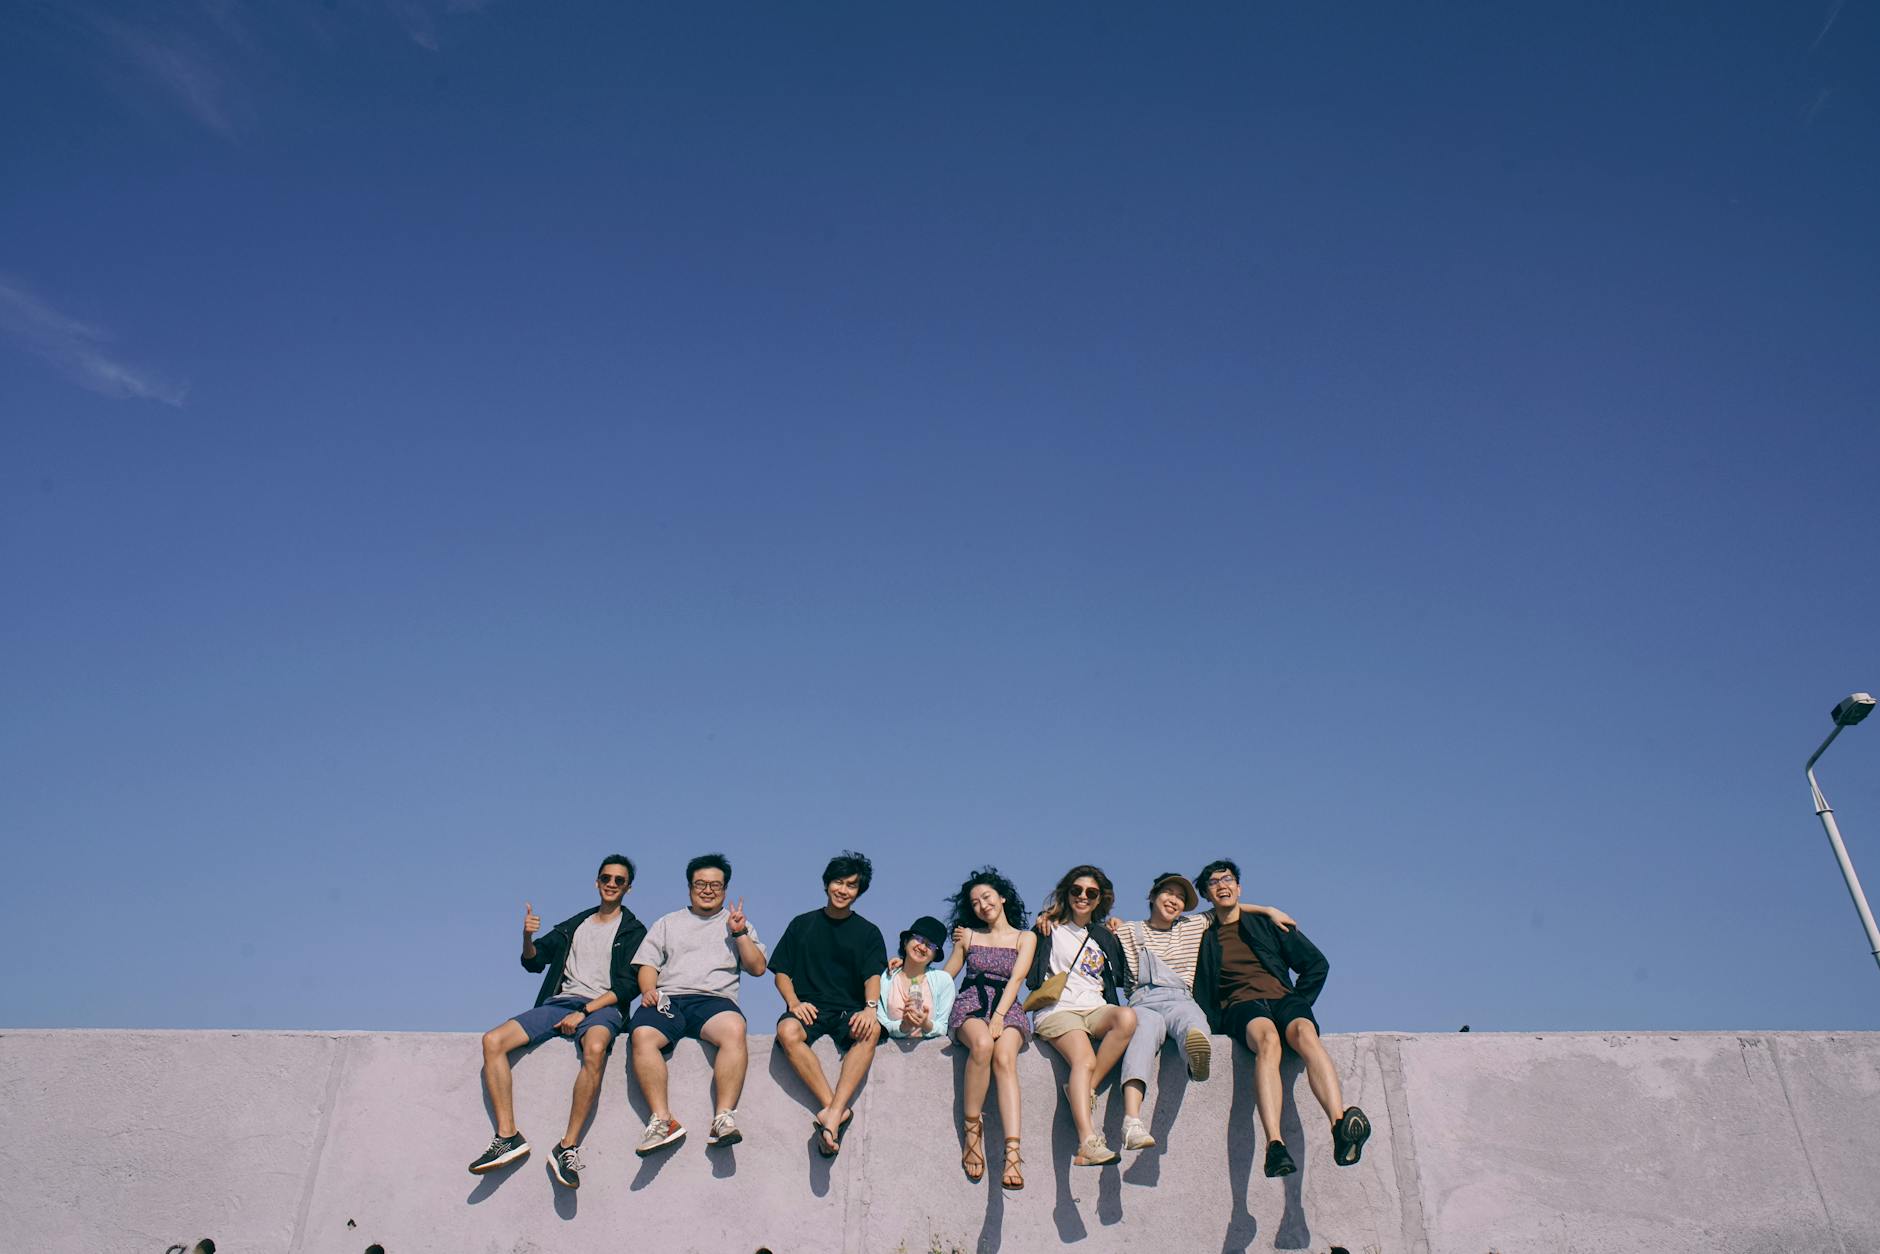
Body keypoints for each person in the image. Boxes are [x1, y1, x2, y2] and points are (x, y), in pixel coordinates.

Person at [469, 854, 647, 1190]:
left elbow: (629, 986)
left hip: (603, 1007)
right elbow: (534, 961)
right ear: (597, 882)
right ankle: (508, 1136)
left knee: (595, 1048)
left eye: (618, 880)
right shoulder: (575, 925)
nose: (611, 884)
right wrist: (525, 937)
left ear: (628, 888)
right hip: (559, 1003)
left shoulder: (634, 931)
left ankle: (567, 1147)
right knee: (493, 1041)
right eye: (606, 878)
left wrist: (585, 1012)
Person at [1192, 858, 1370, 1178]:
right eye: (1214, 882)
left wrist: (1300, 1001)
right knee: (1268, 1040)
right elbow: (1165, 928)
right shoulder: (1203, 934)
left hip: (1284, 999)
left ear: (1239, 887)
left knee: (1304, 1033)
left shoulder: (1268, 925)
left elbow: (1316, 964)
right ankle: (1275, 1145)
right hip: (1240, 1005)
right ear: (1207, 894)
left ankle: (1340, 1126)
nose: (1222, 885)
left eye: (1228, 879)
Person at [1102, 873, 1296, 1151]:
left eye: (1181, 898)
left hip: (1181, 996)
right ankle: (1132, 1122)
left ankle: (1196, 1057)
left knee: (1193, 1022)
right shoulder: (1128, 930)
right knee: (1142, 1037)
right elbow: (1089, 929)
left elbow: (1227, 908)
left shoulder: (1192, 925)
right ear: (1153, 896)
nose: (1174, 900)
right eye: (1168, 893)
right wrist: (1055, 918)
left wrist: (1267, 910)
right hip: (1143, 1001)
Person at [627, 853, 769, 1155]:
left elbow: (757, 968)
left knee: (734, 1028)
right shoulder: (668, 922)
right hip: (670, 999)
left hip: (714, 1001)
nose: (707, 890)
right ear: (690, 886)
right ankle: (663, 1121)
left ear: (725, 890)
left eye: (715, 885)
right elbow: (648, 964)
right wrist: (648, 988)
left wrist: (739, 932)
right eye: (700, 883)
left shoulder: (737, 925)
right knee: (641, 1035)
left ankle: (723, 1118)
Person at [770, 850, 889, 1157]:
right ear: (826, 884)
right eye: (838, 881)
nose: (843, 889)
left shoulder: (868, 932)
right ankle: (835, 1110)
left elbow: (872, 976)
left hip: (848, 1010)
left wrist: (870, 1008)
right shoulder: (802, 924)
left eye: (851, 885)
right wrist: (794, 1003)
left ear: (859, 892)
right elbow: (782, 972)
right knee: (787, 1032)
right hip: (808, 1006)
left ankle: (830, 1115)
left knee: (871, 1031)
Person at [1026, 865, 1137, 1167]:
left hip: (1094, 1006)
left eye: (1091, 892)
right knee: (1084, 1060)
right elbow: (1025, 962)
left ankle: (1083, 1090)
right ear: (1067, 892)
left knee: (1127, 1018)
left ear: (1101, 898)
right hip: (1058, 1009)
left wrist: (1121, 931)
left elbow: (1126, 974)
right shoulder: (1048, 927)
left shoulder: (1103, 934)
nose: (1083, 897)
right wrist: (1041, 921)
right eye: (1076, 890)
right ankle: (1087, 1141)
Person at [942, 867, 1038, 1190]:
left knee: (1005, 1058)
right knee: (982, 1045)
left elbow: (1017, 979)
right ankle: (973, 1133)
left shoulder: (1026, 937)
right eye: (975, 902)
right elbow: (947, 975)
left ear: (1002, 897)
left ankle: (1013, 1153)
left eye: (987, 897)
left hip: (1008, 1005)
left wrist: (999, 1015)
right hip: (970, 1002)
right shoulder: (967, 935)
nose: (982, 905)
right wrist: (910, 972)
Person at [878, 915, 956, 1040]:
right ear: (905, 942)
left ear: (934, 955)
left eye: (931, 946)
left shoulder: (943, 981)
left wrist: (926, 1024)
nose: (923, 947)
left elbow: (943, 1027)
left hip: (928, 1056)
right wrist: (904, 1026)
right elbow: (880, 1023)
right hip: (887, 1055)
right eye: (919, 939)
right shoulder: (886, 977)